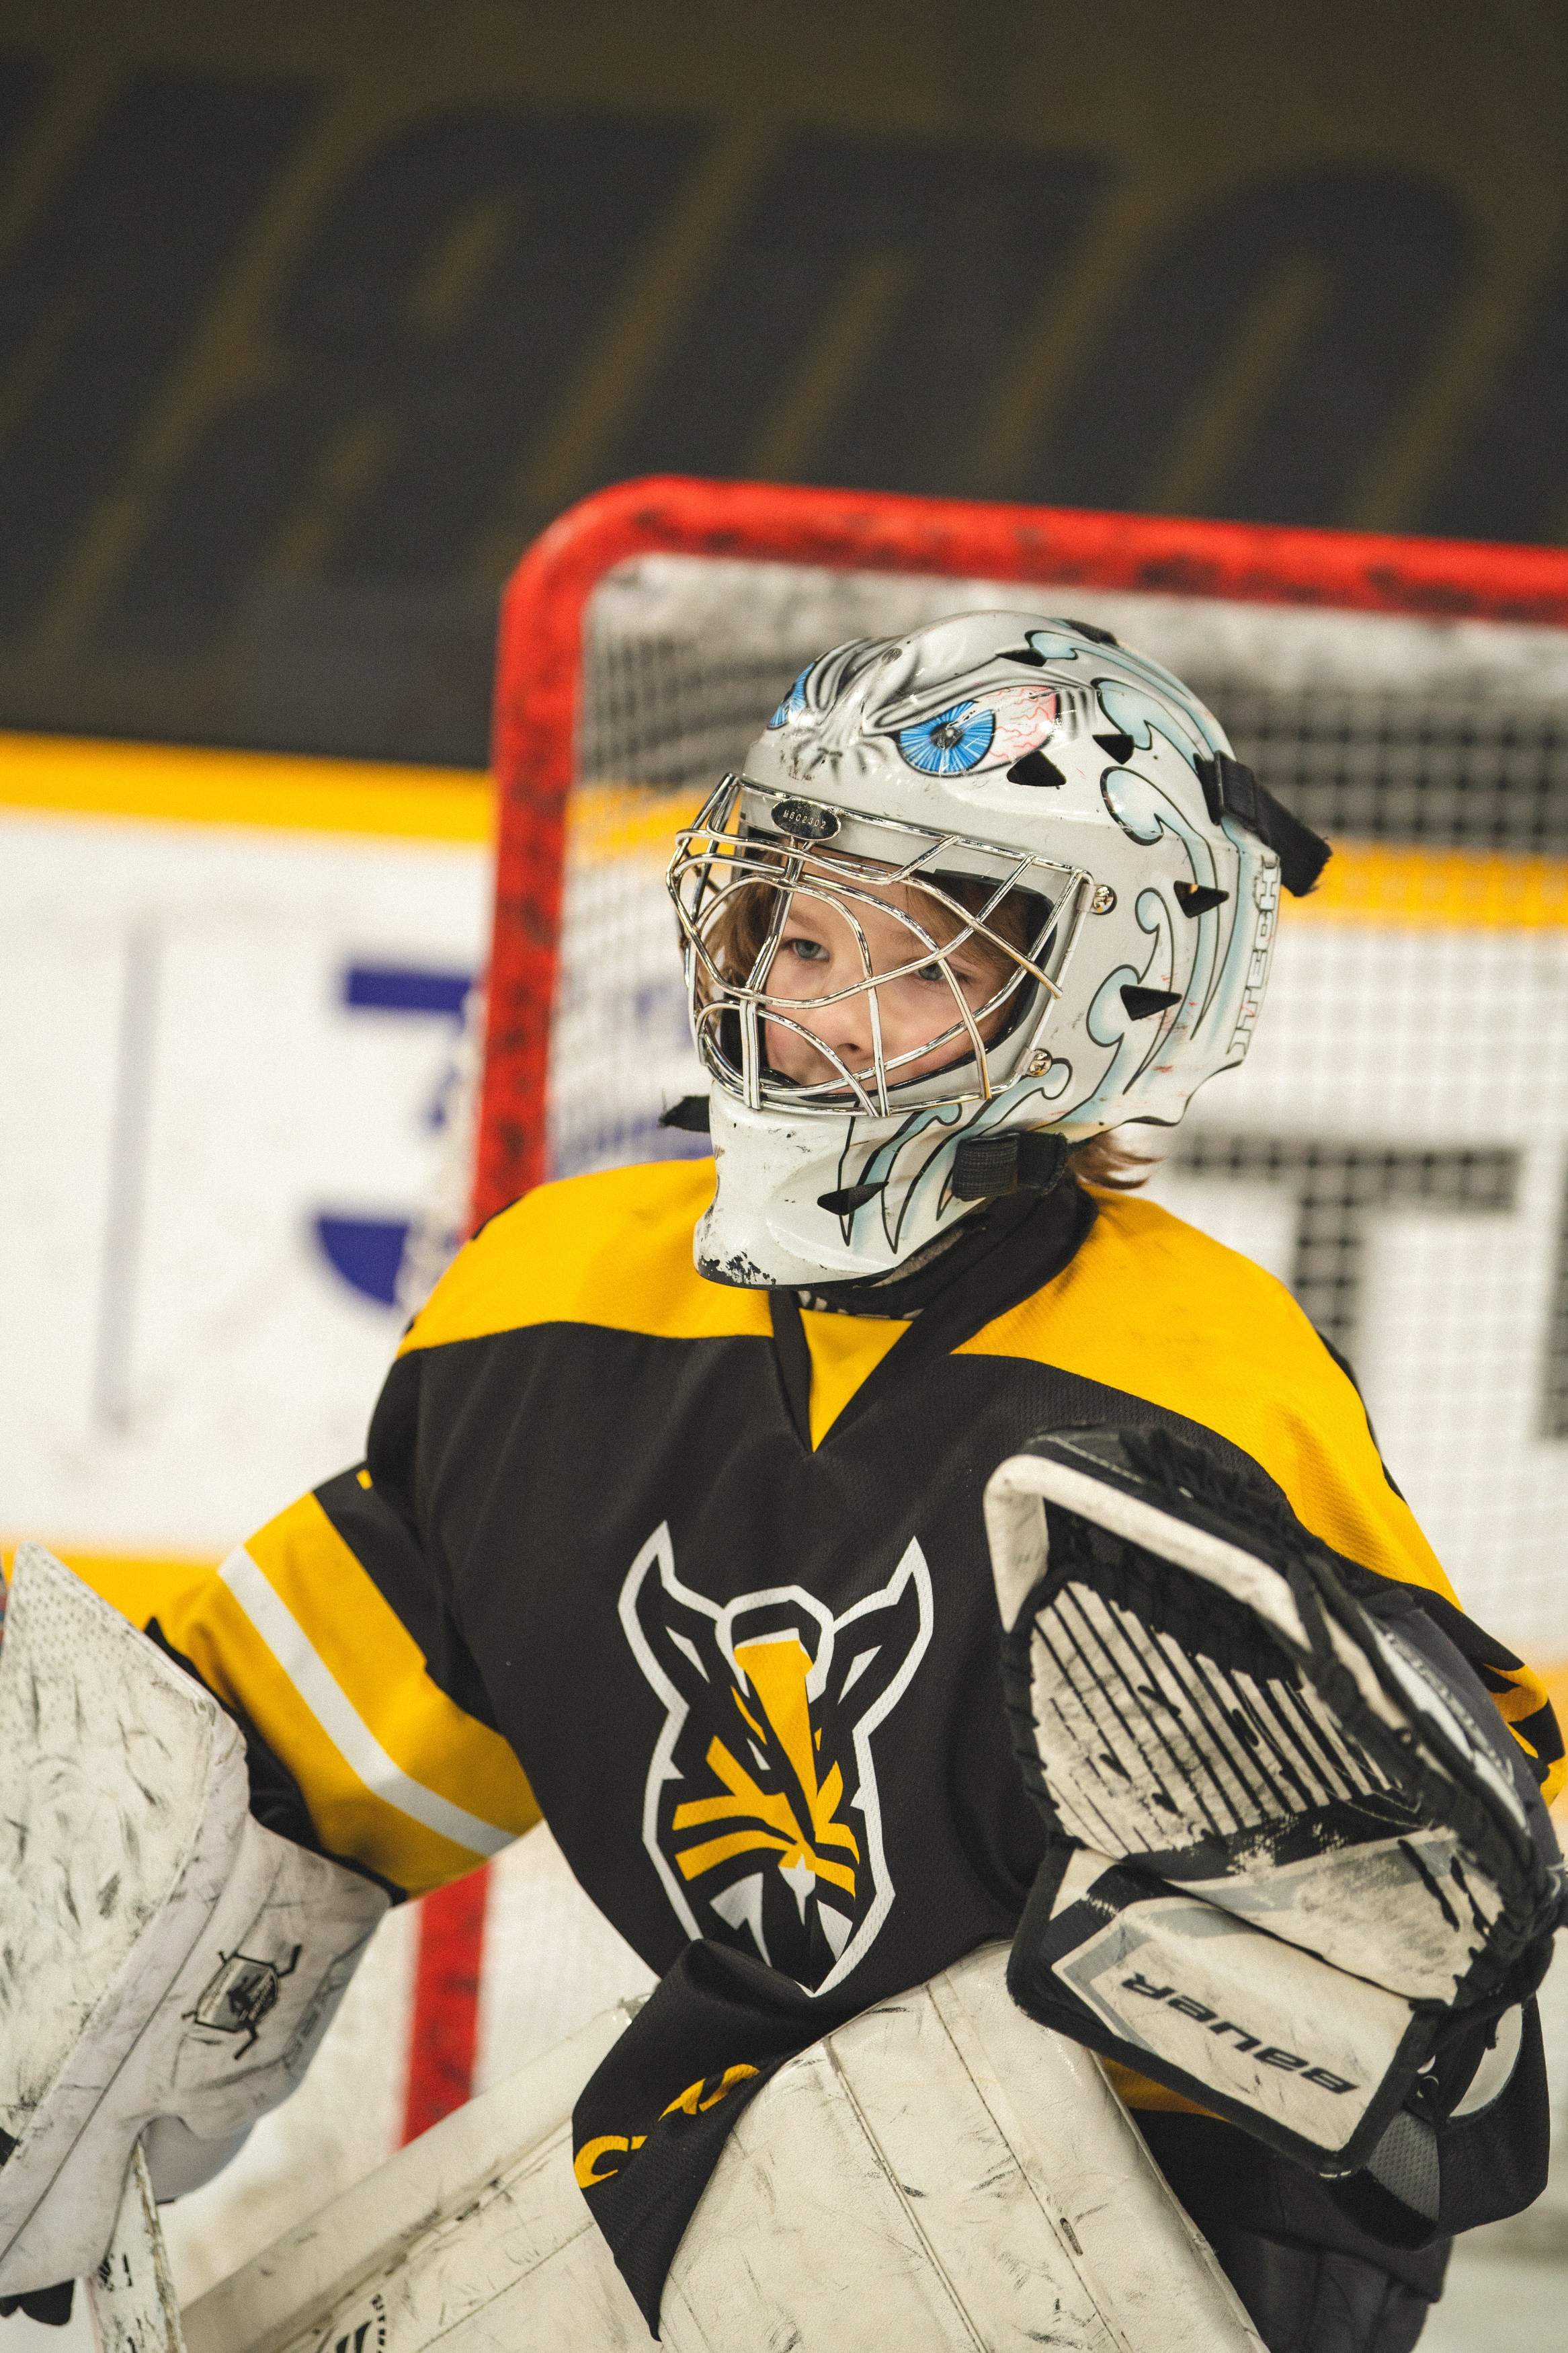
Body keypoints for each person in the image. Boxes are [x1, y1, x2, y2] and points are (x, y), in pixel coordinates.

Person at [1, 614, 1561, 2352]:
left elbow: (1421, 1944)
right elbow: (227, 1785)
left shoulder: (1198, 1373)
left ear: (1107, 1001)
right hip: (720, 2132)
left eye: (912, 938)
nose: (793, 973)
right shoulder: (557, 1296)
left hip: (1128, 2229)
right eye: (790, 905)